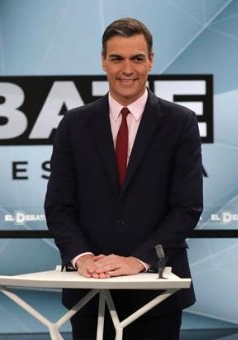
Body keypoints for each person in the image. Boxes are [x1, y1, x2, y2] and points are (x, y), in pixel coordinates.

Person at [44, 17, 203, 340]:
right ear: (103, 61)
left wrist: (138, 260)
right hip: (90, 291)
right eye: (117, 58)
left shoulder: (180, 122)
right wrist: (83, 258)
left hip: (155, 294)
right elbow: (59, 206)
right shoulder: (74, 124)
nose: (127, 69)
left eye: (137, 58)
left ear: (151, 60)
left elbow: (186, 207)